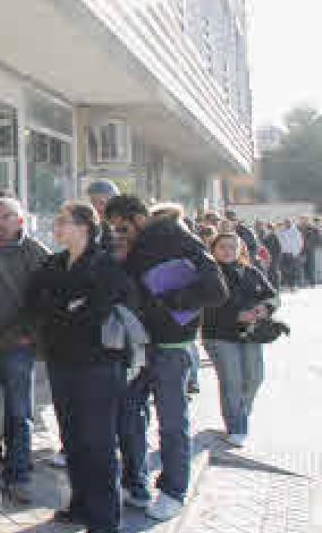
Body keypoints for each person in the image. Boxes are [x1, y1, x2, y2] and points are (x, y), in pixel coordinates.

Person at [105, 195, 228, 521]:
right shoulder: (131, 246)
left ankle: (174, 490)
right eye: (114, 229)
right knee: (128, 414)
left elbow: (217, 289)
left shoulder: (179, 238)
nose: (119, 234)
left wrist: (172, 300)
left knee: (172, 421)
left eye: (123, 227)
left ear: (139, 218)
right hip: (138, 344)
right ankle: (135, 483)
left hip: (172, 344)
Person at [27, 201, 134, 533]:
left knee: (98, 442)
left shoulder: (104, 264)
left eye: (64, 221)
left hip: (98, 366)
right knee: (72, 437)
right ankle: (81, 504)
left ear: (85, 227)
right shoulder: (54, 263)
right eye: (57, 221)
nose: (57, 227)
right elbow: (35, 301)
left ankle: (104, 519)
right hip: (61, 362)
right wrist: (67, 308)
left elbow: (97, 311)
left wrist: (62, 310)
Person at [0, 196, 50, 503]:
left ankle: (19, 473)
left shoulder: (35, 252)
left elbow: (47, 299)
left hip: (18, 344)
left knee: (19, 413)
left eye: (6, 216)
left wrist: (29, 334)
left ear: (20, 220)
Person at [201, 233, 277, 446]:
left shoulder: (251, 271)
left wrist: (266, 307)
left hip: (250, 334)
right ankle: (237, 428)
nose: (228, 251)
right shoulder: (208, 273)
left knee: (255, 378)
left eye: (232, 247)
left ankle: (239, 415)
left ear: (240, 249)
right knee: (232, 381)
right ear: (213, 249)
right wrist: (236, 315)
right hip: (219, 335)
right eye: (223, 247)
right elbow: (205, 306)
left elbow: (272, 295)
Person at [85, 178, 119, 249]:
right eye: (93, 202)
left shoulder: (121, 231)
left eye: (102, 202)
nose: (96, 207)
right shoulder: (88, 229)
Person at [276, 219, 304, 291]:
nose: (287, 224)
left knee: (293, 270)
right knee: (283, 269)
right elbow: (279, 241)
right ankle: (285, 284)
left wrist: (297, 252)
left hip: (292, 253)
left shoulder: (296, 231)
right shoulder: (281, 231)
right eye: (285, 222)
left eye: (288, 222)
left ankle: (293, 285)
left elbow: (300, 242)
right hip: (283, 253)